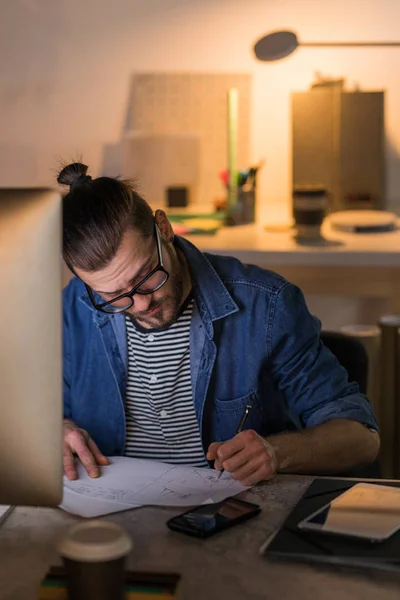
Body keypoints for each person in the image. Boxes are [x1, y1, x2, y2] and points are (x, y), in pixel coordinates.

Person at [60, 162, 380, 485]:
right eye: (114, 296)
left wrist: (277, 452)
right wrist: (56, 432)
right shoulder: (76, 306)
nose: (141, 303)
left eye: (145, 276)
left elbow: (362, 438)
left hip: (228, 520)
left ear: (164, 228)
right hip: (110, 521)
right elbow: (39, 416)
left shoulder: (267, 305)